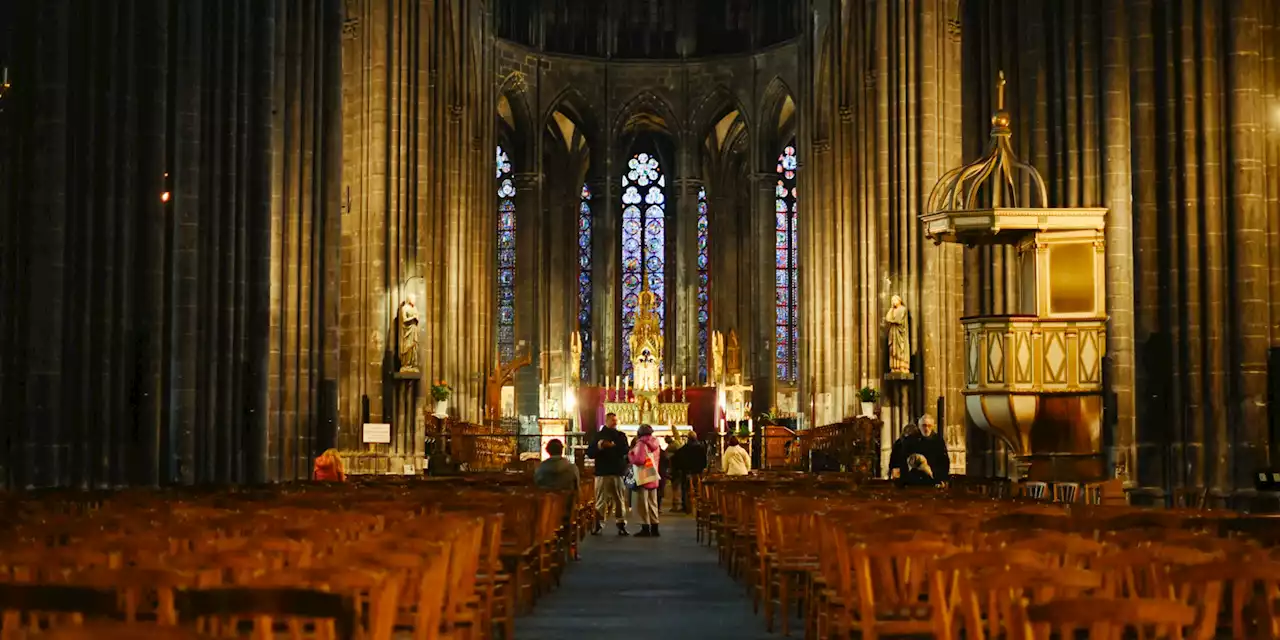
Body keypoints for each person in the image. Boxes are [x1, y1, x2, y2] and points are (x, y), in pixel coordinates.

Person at [586, 412, 631, 536]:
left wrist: (612, 446)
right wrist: (600, 447)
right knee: (601, 500)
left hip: (616, 471)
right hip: (603, 471)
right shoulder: (598, 435)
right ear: (606, 421)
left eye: (616, 420)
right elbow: (590, 453)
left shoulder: (620, 435)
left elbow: (625, 450)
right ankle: (598, 524)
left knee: (619, 500)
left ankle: (621, 524)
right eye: (612, 420)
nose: (615, 423)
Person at [889, 415, 950, 483]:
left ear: (932, 426)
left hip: (932, 480)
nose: (926, 429)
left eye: (929, 426)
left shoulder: (938, 441)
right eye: (924, 425)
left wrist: (941, 478)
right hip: (913, 480)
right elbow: (902, 458)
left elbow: (944, 462)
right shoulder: (910, 440)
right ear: (919, 426)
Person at [628, 424, 663, 537]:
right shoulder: (656, 443)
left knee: (642, 503)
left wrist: (630, 455)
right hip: (653, 474)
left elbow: (639, 460)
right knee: (653, 502)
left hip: (644, 475)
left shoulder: (641, 443)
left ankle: (645, 527)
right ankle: (655, 527)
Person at [673, 430, 708, 512]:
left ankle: (686, 506)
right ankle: (699, 506)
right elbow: (704, 461)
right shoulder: (701, 448)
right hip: (698, 472)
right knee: (698, 489)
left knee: (685, 489)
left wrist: (680, 469)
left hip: (687, 472)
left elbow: (678, 460)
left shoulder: (683, 449)